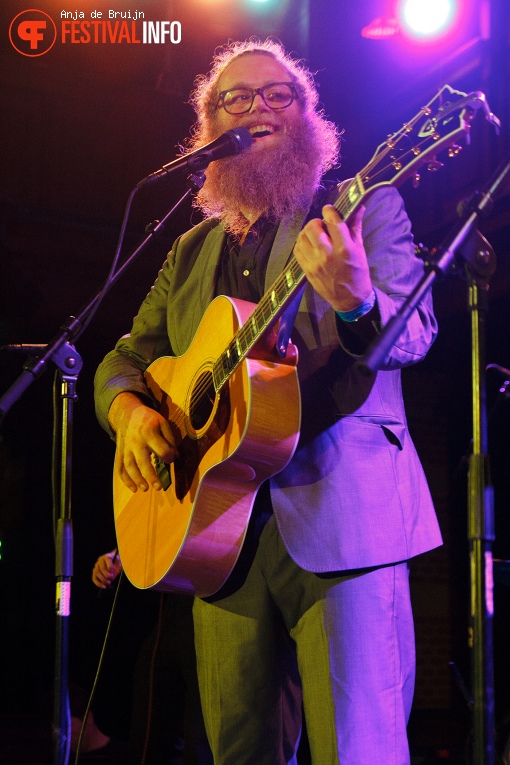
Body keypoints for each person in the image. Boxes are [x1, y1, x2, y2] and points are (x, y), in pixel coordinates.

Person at [94, 38, 443, 765]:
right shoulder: (190, 249)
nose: (259, 108)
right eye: (238, 98)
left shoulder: (364, 205)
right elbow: (126, 356)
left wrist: (356, 303)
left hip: (343, 527)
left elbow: (415, 333)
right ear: (209, 128)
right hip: (217, 536)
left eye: (279, 94)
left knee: (360, 751)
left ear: (308, 115)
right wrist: (129, 412)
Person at [91, 551, 212, 765]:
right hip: (175, 605)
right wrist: (122, 555)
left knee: (202, 738)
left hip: (212, 594)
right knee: (150, 734)